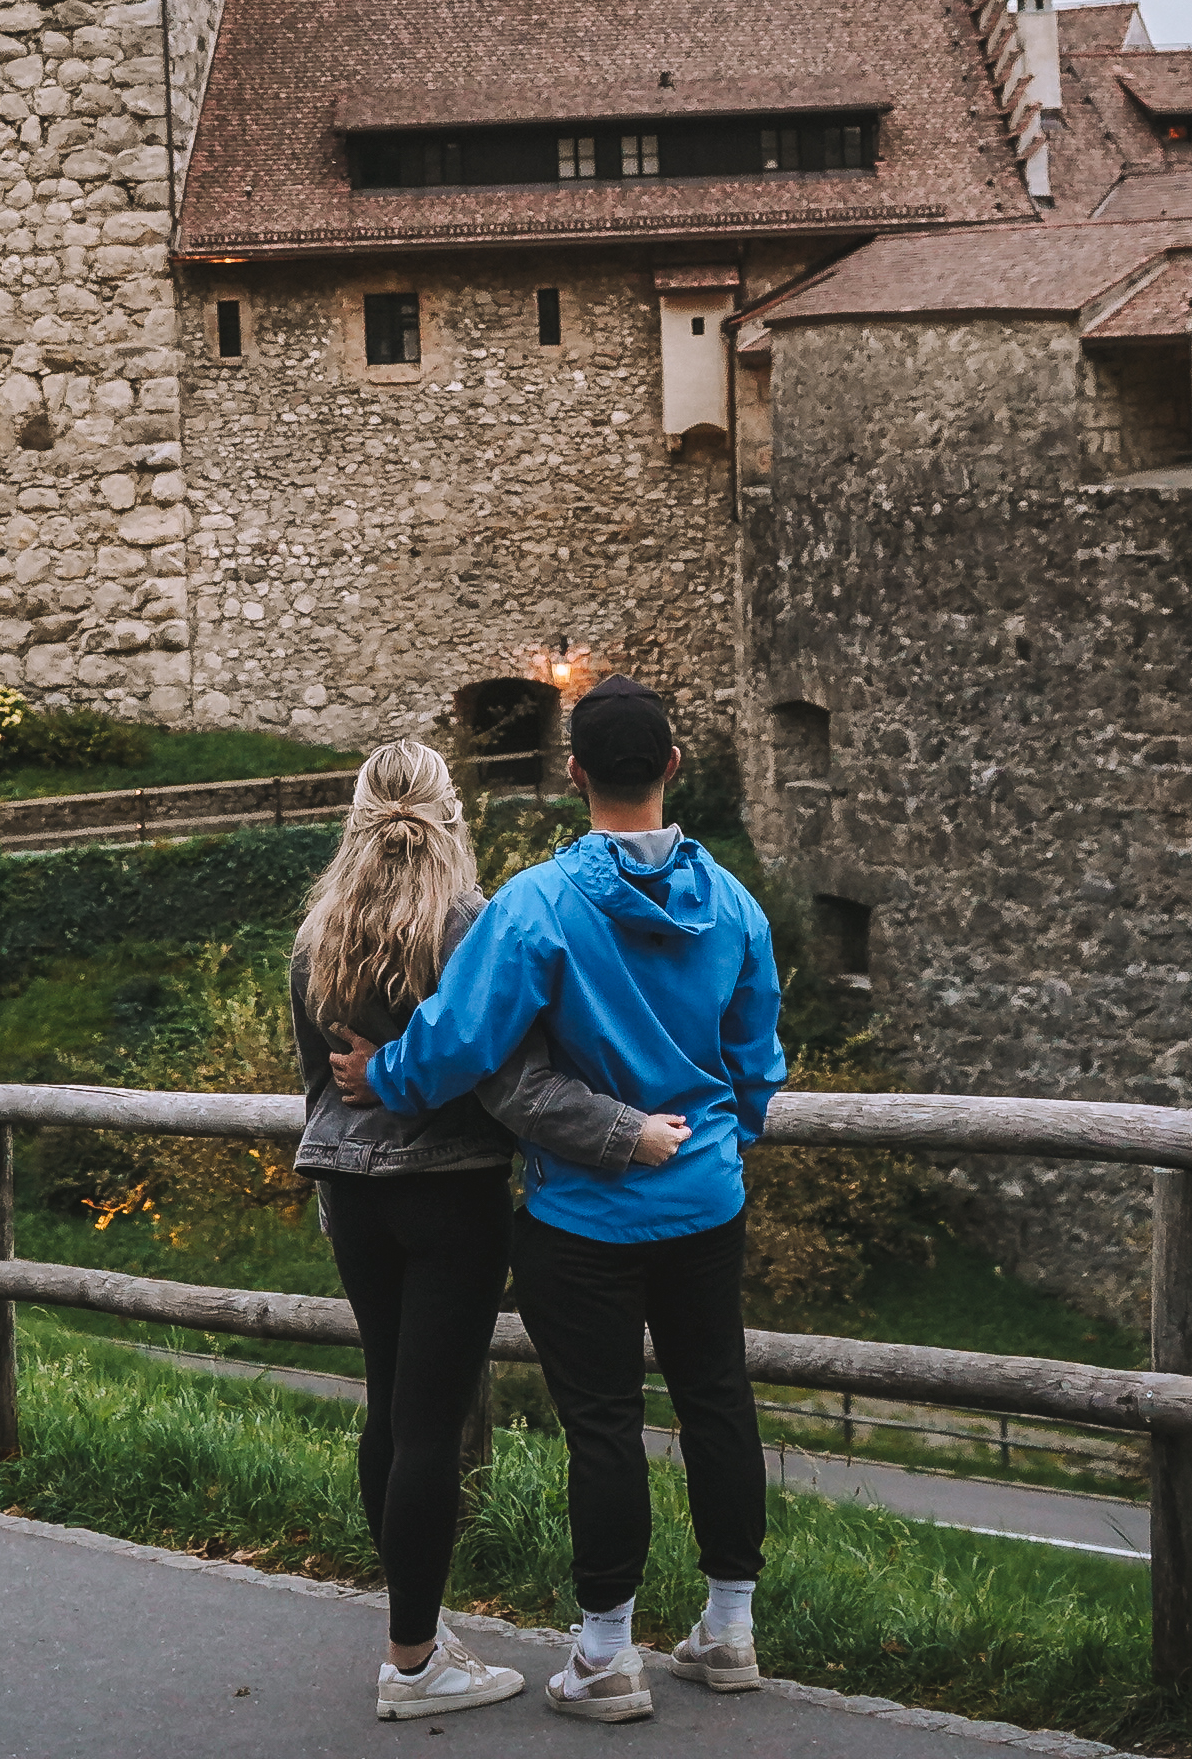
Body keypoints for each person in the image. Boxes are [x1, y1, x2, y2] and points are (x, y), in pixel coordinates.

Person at [337, 679, 784, 1722]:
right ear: (673, 763)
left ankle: (606, 1655)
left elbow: (462, 1038)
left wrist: (383, 1075)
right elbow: (756, 1053)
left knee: (603, 1424)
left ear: (572, 772)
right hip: (706, 1197)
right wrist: (730, 1138)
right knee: (718, 1400)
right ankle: (728, 1629)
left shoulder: (538, 902)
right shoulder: (734, 904)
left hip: (583, 1215)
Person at [289, 738, 685, 1723]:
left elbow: (314, 1083)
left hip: (351, 1191)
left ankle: (415, 1630)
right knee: (432, 1421)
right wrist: (618, 1131)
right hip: (449, 1191)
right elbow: (508, 1081)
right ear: (450, 812)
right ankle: (413, 1661)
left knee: (390, 1407)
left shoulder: (317, 931)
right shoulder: (467, 923)